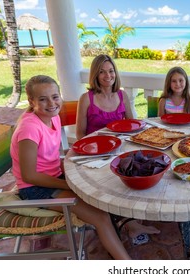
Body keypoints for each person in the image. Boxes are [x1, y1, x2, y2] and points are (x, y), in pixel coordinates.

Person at [10, 75, 131, 259]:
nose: (51, 103)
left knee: (103, 187)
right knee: (101, 217)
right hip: (35, 188)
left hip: (55, 176)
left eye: (55, 96)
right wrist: (70, 185)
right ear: (31, 101)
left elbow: (50, 156)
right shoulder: (29, 128)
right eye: (43, 99)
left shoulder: (53, 117)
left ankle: (120, 236)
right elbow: (29, 176)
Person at [76, 54, 160, 244]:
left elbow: (134, 125)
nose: (108, 75)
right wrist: (96, 151)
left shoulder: (122, 95)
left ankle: (134, 218)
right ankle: (130, 224)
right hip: (96, 155)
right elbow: (80, 134)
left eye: (111, 71)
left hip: (121, 151)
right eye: (102, 72)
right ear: (95, 75)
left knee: (143, 169)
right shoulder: (86, 98)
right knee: (118, 182)